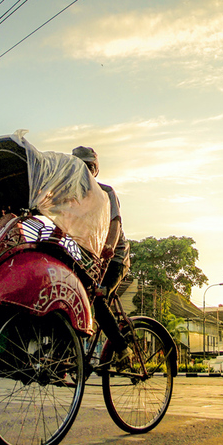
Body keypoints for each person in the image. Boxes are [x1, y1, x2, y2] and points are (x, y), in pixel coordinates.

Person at [72, 146, 132, 369]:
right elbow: (61, 225)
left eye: (88, 167)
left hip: (114, 257)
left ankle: (122, 346)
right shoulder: (72, 198)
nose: (84, 171)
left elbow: (115, 222)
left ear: (95, 170)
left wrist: (108, 245)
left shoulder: (106, 192)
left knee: (96, 297)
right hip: (88, 258)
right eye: (79, 166)